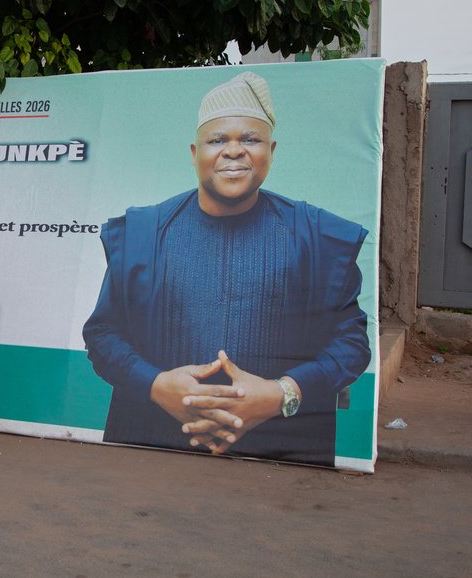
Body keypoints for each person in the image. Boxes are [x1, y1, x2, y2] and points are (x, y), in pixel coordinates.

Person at [83, 71, 372, 466]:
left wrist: (282, 393)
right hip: (150, 449)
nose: (233, 151)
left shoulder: (315, 236)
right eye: (217, 140)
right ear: (193, 151)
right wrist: (154, 385)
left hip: (279, 459)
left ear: (271, 149)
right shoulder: (143, 233)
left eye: (249, 140)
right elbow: (102, 333)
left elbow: (351, 343)